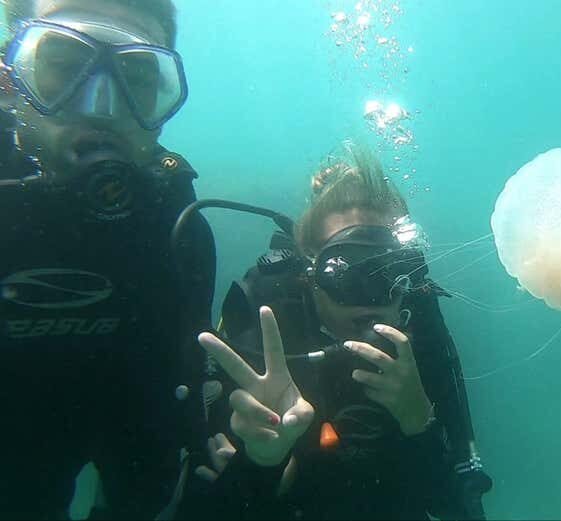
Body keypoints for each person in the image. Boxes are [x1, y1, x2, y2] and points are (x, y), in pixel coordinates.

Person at [181, 145, 492, 520]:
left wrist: (418, 420)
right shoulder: (271, 314)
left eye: (387, 273)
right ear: (308, 273)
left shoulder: (419, 325)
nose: (370, 298)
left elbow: (461, 509)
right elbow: (204, 509)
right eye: (344, 271)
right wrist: (264, 459)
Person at [0, 1, 216, 518]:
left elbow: (173, 415)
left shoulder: (179, 233)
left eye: (137, 76)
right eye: (65, 64)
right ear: (10, 77)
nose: (100, 105)